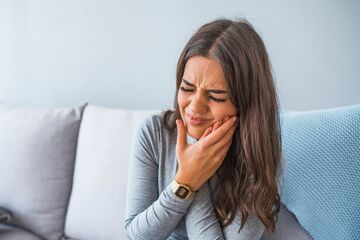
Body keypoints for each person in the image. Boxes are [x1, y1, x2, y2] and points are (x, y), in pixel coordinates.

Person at [124, 18, 283, 240]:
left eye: (215, 96)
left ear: (245, 104)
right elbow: (135, 236)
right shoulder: (153, 133)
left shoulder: (258, 153)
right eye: (187, 88)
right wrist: (185, 181)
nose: (194, 107)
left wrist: (196, 174)